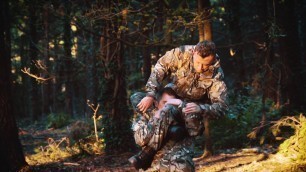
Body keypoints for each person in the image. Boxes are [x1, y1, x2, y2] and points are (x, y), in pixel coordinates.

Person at [135, 40, 228, 171]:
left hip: (191, 111)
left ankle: (148, 152)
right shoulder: (182, 53)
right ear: (194, 51)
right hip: (172, 97)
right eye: (198, 63)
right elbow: (160, 67)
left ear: (212, 59)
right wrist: (150, 94)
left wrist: (201, 108)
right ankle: (148, 142)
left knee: (168, 110)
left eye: (206, 65)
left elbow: (222, 107)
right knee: (137, 99)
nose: (201, 68)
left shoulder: (216, 74)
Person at [129, 88, 190, 170]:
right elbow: (140, 140)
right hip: (153, 165)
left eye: (172, 103)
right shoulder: (144, 119)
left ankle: (146, 154)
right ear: (156, 103)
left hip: (177, 164)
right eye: (165, 103)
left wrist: (182, 105)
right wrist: (157, 118)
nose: (168, 106)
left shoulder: (181, 115)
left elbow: (196, 129)